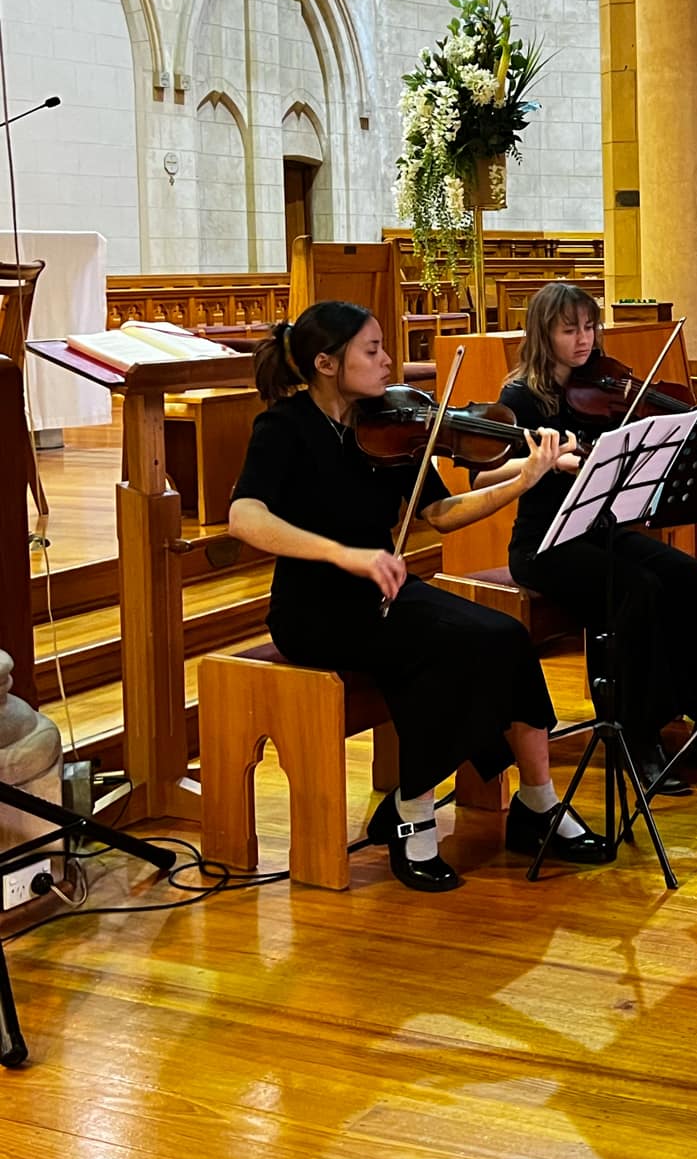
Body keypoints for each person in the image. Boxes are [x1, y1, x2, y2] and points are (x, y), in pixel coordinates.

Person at [228, 300, 611, 892]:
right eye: (372, 350)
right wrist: (344, 553)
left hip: (387, 591)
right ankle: (413, 811)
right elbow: (245, 516)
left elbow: (441, 512)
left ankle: (537, 803)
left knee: (505, 636)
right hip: (316, 608)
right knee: (440, 654)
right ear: (326, 363)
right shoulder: (284, 427)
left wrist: (524, 478)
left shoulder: (388, 422)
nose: (389, 361)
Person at [493, 283, 697, 793]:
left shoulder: (602, 387)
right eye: (570, 330)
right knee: (636, 588)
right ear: (543, 334)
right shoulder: (520, 398)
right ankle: (636, 736)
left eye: (589, 327)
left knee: (691, 576)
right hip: (545, 543)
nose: (584, 339)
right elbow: (485, 471)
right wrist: (541, 463)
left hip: (598, 529)